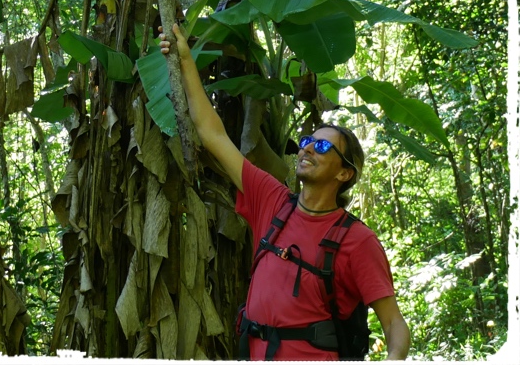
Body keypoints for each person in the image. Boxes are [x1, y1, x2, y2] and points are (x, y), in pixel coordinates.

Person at [160, 24, 410, 361]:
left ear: (344, 172)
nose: (307, 149)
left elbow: (394, 323)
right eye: (307, 142)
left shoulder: (357, 241)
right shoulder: (272, 201)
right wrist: (187, 60)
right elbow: (212, 134)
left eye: (322, 146)